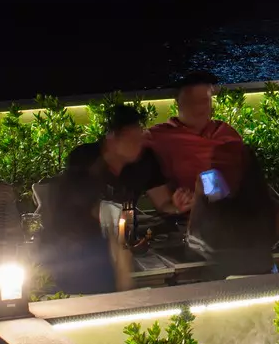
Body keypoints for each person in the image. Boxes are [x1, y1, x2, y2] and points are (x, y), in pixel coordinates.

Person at [35, 106, 178, 293]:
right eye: (131, 139)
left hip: (119, 242)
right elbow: (86, 215)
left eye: (139, 138)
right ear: (111, 139)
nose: (138, 145)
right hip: (76, 245)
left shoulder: (144, 161)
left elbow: (164, 204)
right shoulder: (86, 160)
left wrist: (177, 206)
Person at [145, 71, 244, 210]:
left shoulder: (227, 134)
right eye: (192, 101)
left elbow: (244, 181)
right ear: (178, 103)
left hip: (228, 216)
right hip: (180, 221)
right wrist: (176, 205)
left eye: (204, 100)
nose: (199, 107)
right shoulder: (157, 137)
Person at [190, 141, 279, 277]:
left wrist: (198, 198)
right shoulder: (268, 207)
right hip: (267, 286)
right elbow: (276, 240)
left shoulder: (213, 216)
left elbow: (192, 246)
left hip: (220, 289)